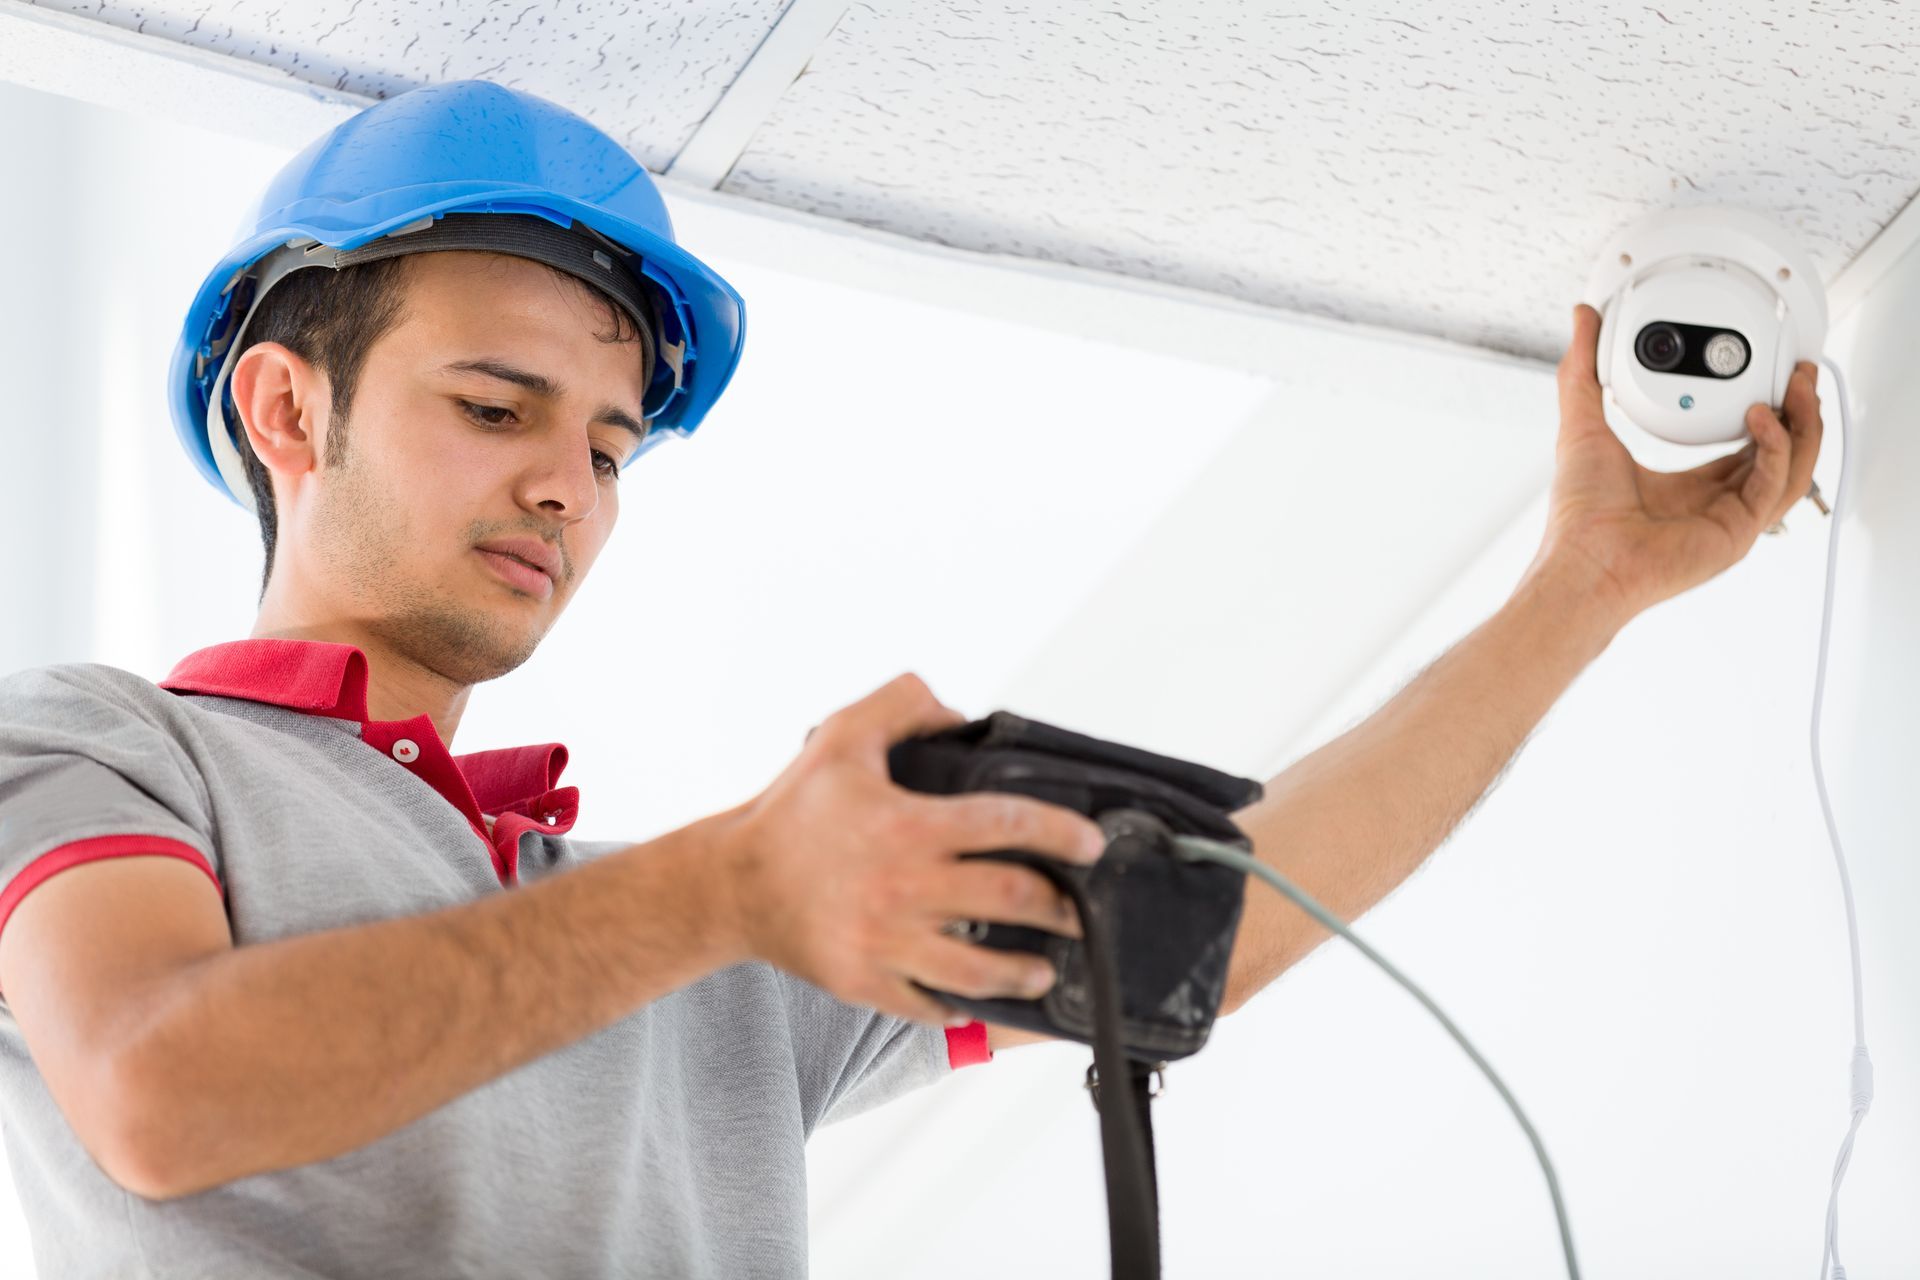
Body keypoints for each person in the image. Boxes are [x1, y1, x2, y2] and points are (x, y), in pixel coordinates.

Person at [0, 80, 1826, 1279]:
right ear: (286, 407)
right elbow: (159, 1086)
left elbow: (1226, 914)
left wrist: (1585, 587)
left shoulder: (716, 955)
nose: (569, 486)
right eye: (495, 408)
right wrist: (729, 886)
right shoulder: (102, 750)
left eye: (614, 447)